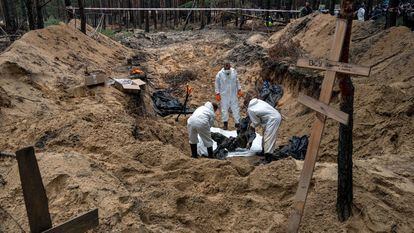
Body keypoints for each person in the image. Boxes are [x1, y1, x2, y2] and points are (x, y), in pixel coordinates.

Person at [245, 97, 282, 163]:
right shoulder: (258, 101)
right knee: (265, 135)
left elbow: (256, 122)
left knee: (269, 137)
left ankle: (268, 157)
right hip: (273, 116)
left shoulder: (250, 109)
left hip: (273, 119)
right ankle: (264, 151)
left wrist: (251, 126)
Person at [215, 62, 242, 130]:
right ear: (224, 66)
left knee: (235, 108)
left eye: (228, 65)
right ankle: (225, 124)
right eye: (226, 65)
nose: (227, 67)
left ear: (230, 66)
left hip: (233, 94)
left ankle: (237, 123)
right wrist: (217, 93)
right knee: (224, 110)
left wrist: (239, 89)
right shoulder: (220, 74)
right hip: (224, 95)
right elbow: (217, 84)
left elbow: (237, 81)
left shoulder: (233, 72)